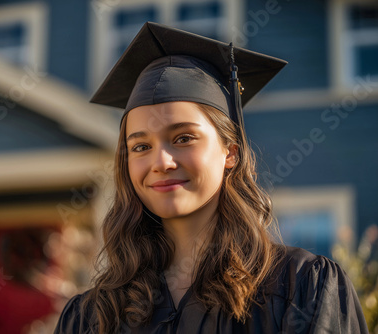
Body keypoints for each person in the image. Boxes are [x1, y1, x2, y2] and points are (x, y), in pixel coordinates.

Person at [54, 22, 368, 334]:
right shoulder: (92, 316)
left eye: (183, 138)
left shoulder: (301, 288)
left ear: (230, 152)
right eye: (140, 146)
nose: (161, 162)